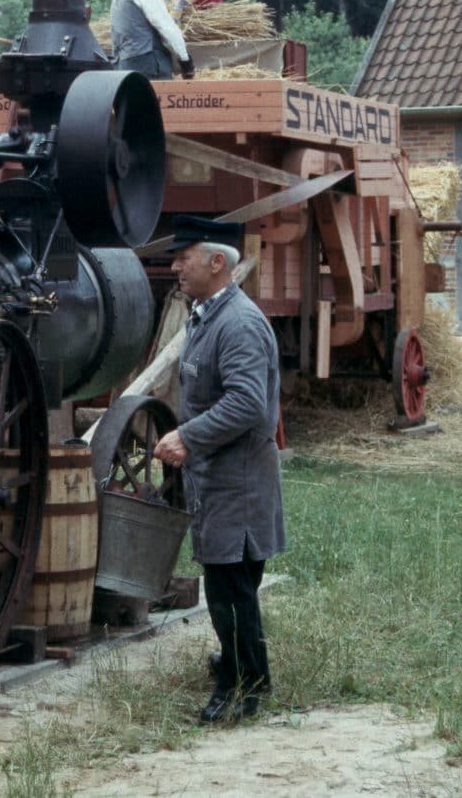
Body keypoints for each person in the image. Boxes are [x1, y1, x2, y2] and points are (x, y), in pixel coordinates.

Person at [154, 214, 285, 724]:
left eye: (183, 257)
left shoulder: (239, 324)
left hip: (239, 482)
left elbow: (249, 405)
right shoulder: (208, 314)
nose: (174, 266)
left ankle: (242, 691)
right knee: (230, 587)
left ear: (216, 262)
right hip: (220, 479)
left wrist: (188, 436)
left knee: (230, 591)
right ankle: (243, 669)